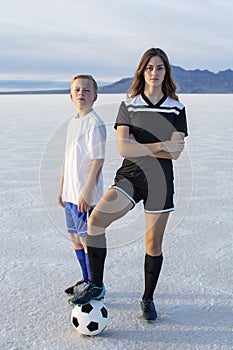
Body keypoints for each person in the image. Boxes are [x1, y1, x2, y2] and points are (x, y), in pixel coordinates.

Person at [69, 48, 188, 321]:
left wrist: (143, 146)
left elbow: (176, 152)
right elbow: (124, 148)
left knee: (152, 244)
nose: (154, 73)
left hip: (160, 182)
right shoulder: (130, 104)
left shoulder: (177, 108)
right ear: (142, 71)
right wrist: (161, 145)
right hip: (131, 176)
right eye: (149, 68)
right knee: (96, 220)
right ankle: (96, 285)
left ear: (166, 71)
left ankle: (147, 298)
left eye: (159, 68)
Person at [58, 74, 106, 297]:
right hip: (70, 192)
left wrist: (87, 192)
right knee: (75, 238)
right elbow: (68, 159)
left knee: (87, 239)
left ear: (95, 96)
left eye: (87, 90)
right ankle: (86, 278)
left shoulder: (94, 123)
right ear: (70, 96)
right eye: (77, 90)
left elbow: (98, 160)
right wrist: (62, 188)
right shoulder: (73, 123)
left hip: (85, 195)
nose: (81, 94)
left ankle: (96, 284)